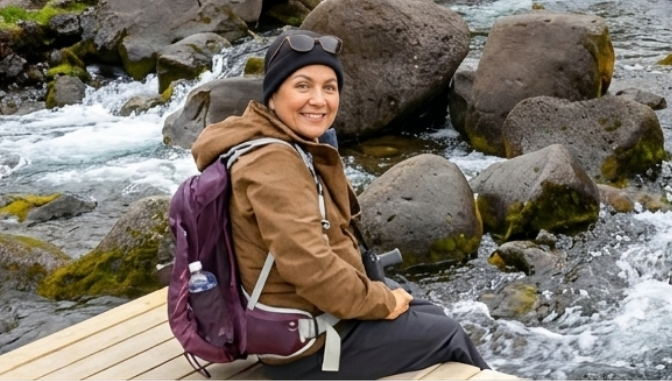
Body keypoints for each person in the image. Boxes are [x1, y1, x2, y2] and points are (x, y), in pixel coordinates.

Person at [191, 29, 491, 380]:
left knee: (430, 313)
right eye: (302, 86)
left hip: (302, 317)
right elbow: (310, 268)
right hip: (304, 346)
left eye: (329, 88)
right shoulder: (273, 164)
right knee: (448, 335)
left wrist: (381, 294)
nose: (318, 100)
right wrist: (380, 301)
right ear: (273, 95)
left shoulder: (278, 141)